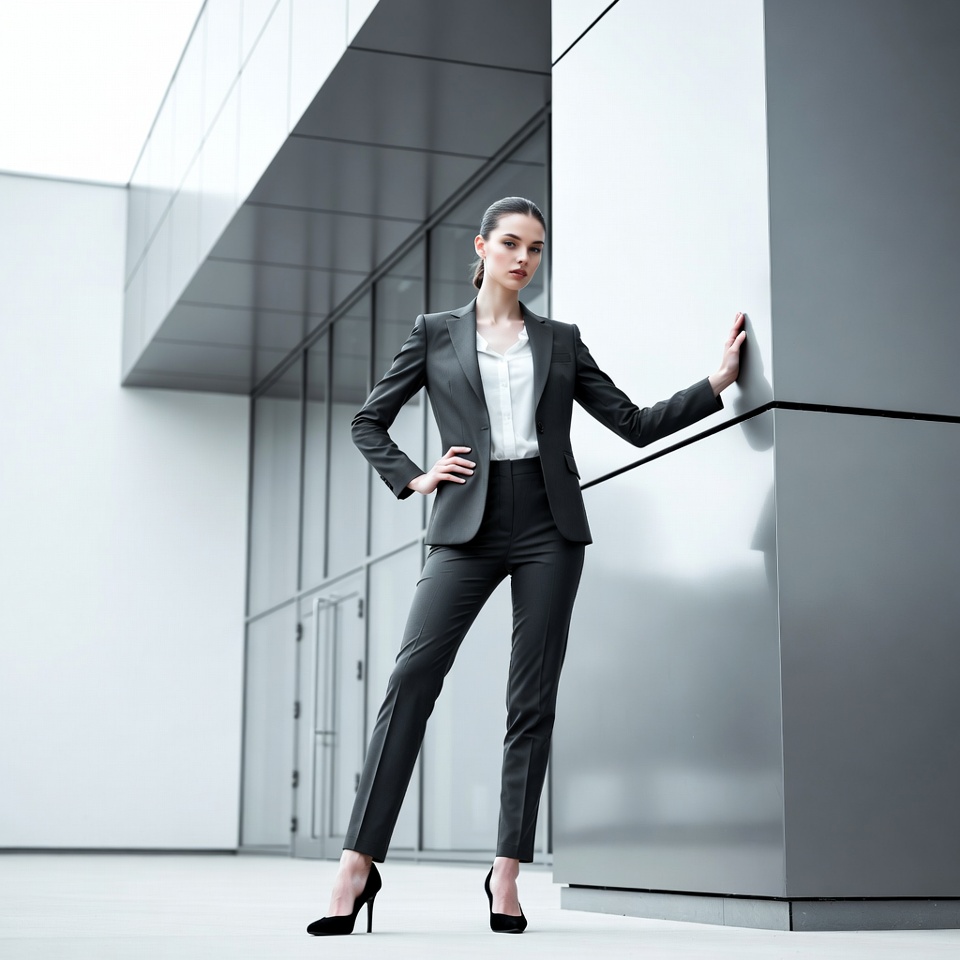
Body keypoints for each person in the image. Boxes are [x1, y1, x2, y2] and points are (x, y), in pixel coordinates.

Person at [306, 197, 746, 936]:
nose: (523, 259)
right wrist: (415, 477)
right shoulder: (434, 332)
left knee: (531, 700)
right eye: (511, 244)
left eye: (535, 248)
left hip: (548, 524)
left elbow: (633, 424)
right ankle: (358, 863)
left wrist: (717, 383)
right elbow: (367, 420)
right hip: (465, 523)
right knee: (411, 678)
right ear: (481, 247)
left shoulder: (560, 341)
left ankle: (506, 871)